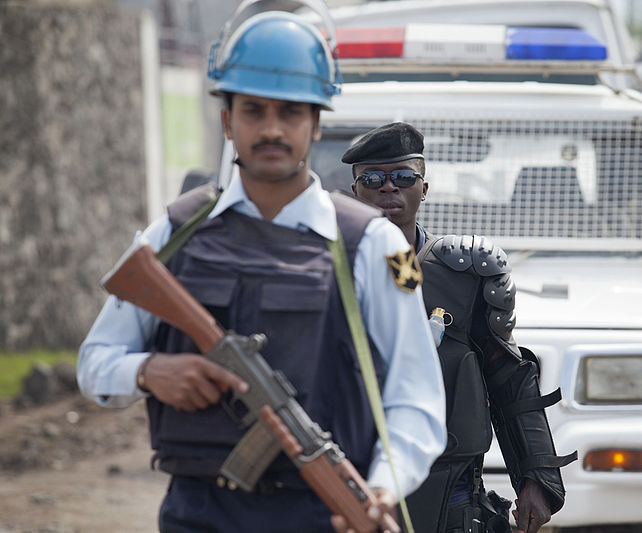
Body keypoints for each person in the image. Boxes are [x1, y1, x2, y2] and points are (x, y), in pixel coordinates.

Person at [77, 10, 446, 533]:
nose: (272, 128)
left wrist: (380, 489)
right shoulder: (172, 232)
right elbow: (95, 363)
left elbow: (417, 400)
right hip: (196, 512)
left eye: (290, 112)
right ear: (227, 120)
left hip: (320, 512)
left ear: (315, 123)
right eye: (253, 110)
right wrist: (148, 372)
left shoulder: (375, 245)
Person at [345, 122, 576, 533]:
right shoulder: (323, 272)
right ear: (355, 191)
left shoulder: (464, 274)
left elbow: (507, 378)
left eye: (402, 177)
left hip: (450, 486)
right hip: (349, 474)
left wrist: (536, 477)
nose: (388, 189)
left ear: (424, 188)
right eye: (372, 179)